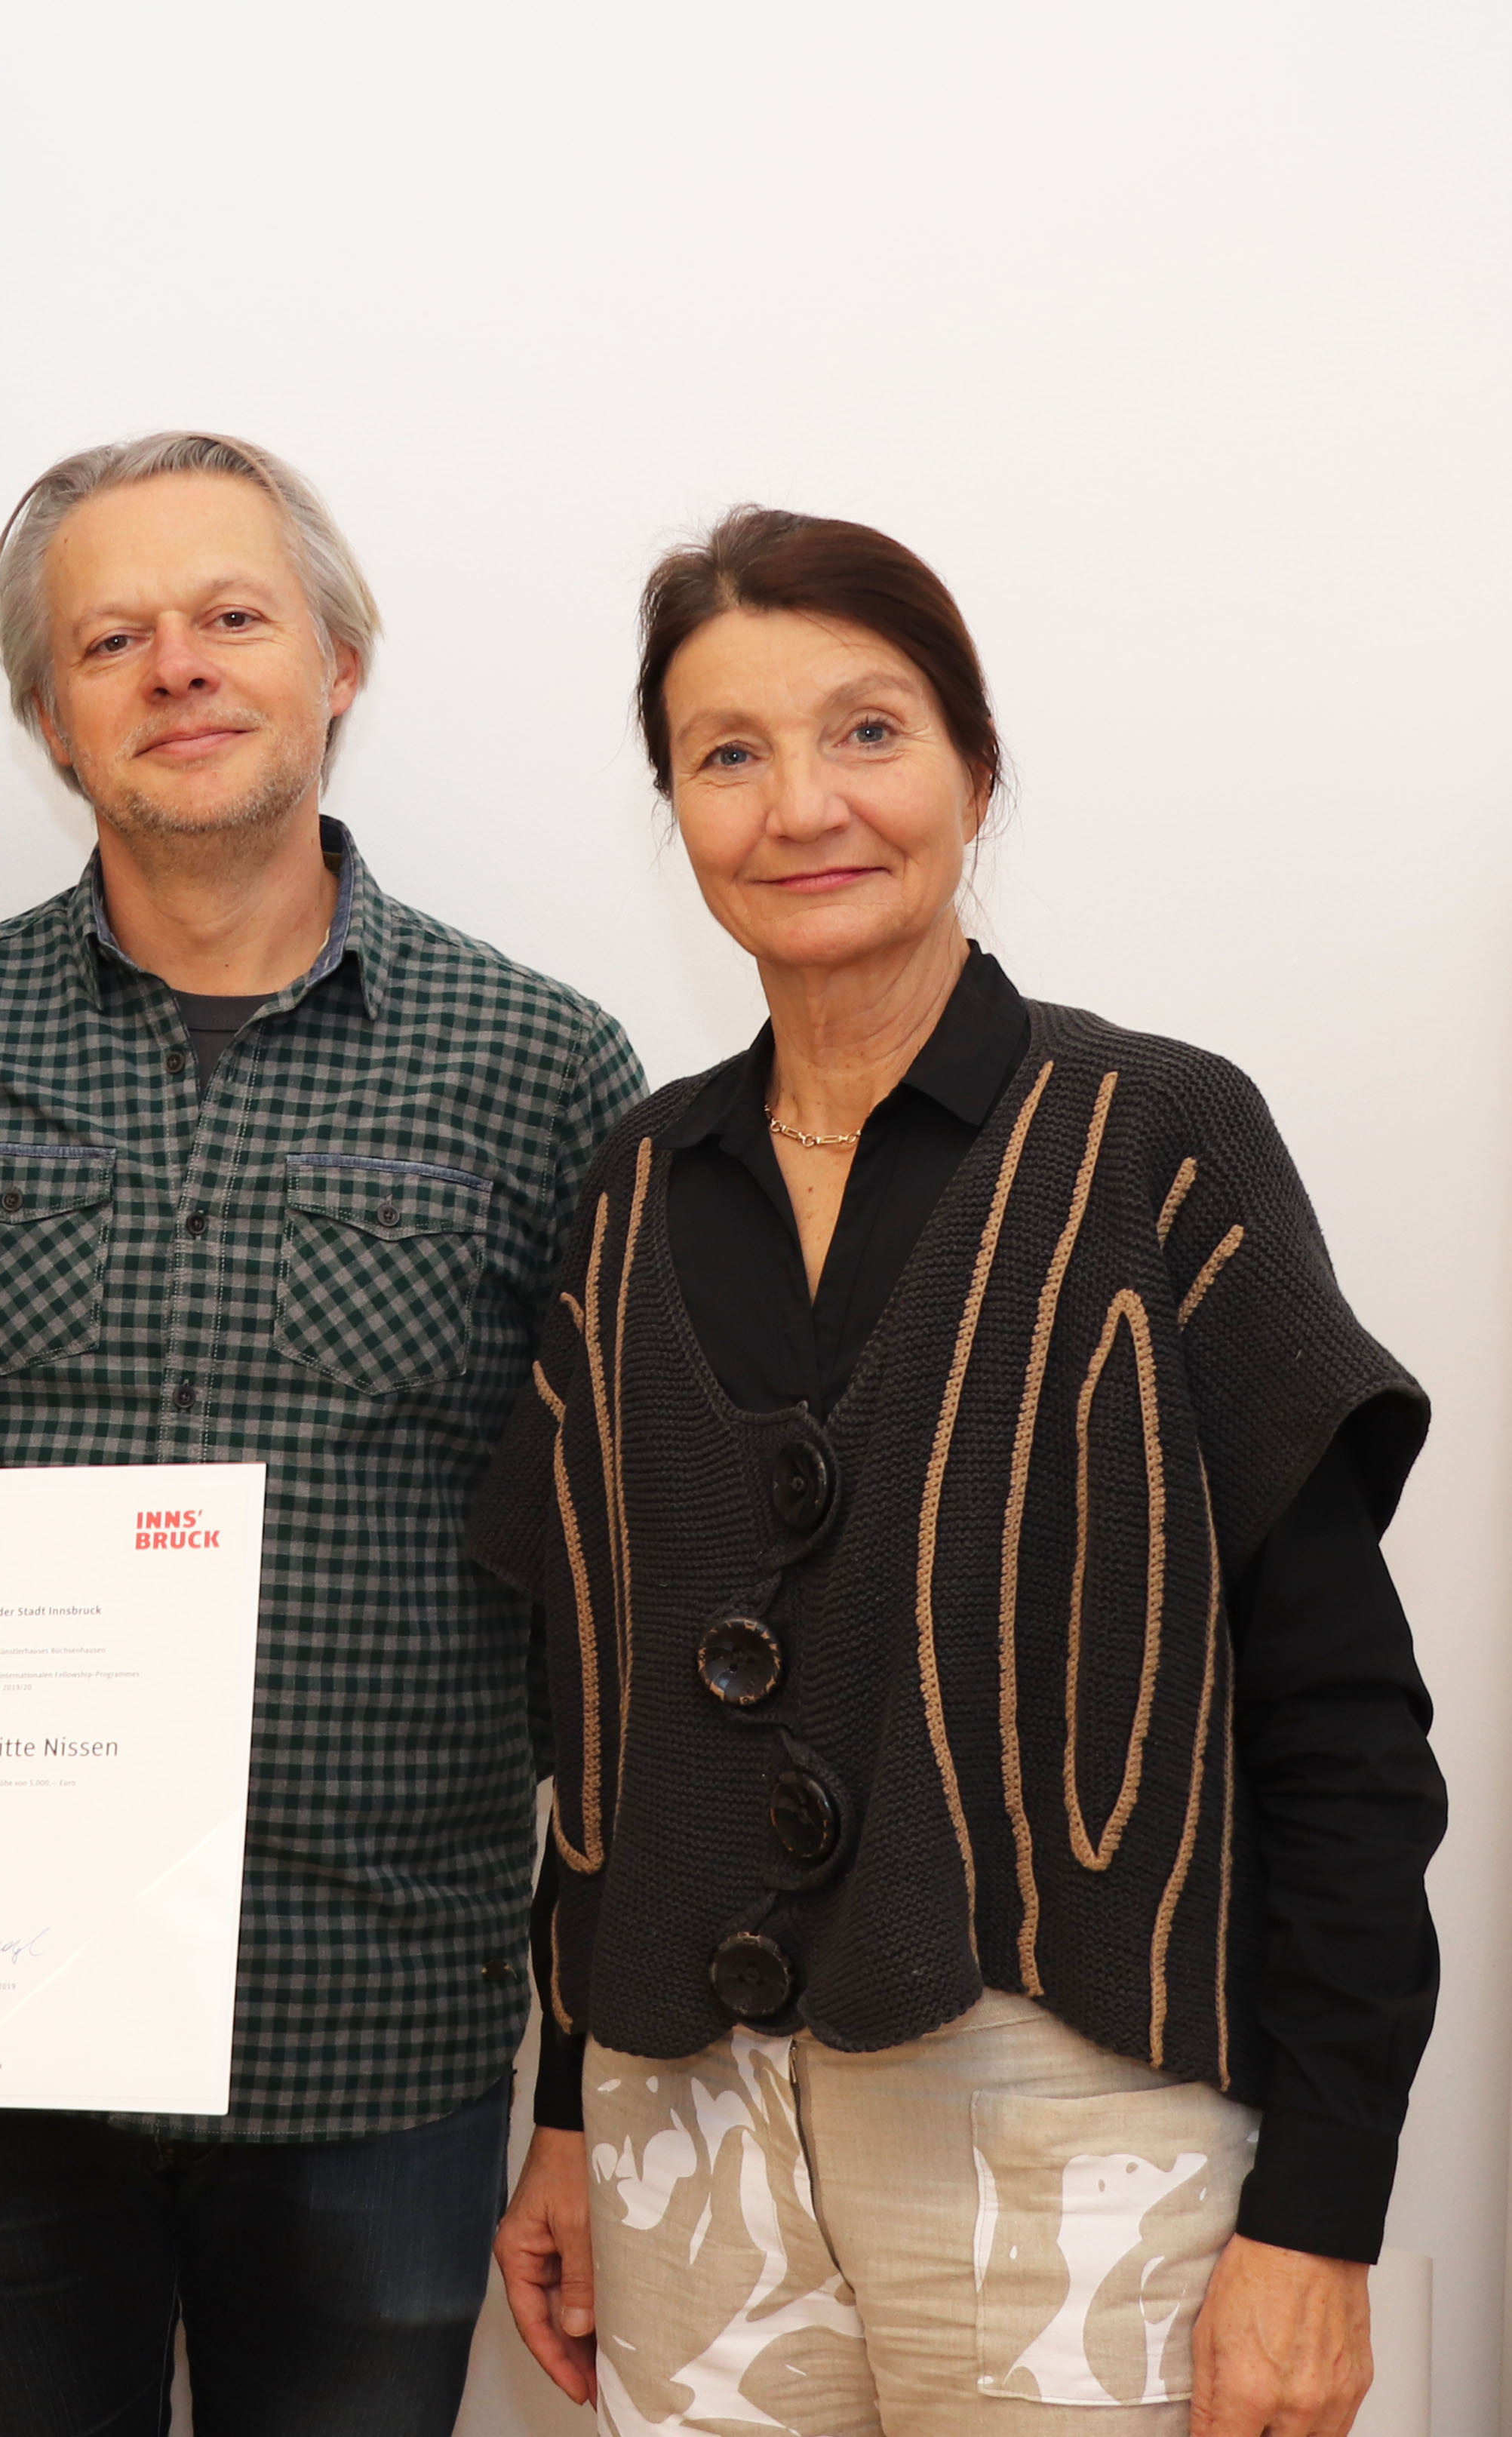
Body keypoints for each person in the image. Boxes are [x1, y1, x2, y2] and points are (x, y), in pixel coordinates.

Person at [475, 508, 1441, 2437]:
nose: (800, 803)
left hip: (1081, 2123)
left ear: (973, 770)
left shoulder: (1160, 1143)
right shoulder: (631, 1194)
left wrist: (1320, 2221)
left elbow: (1343, 1727)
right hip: (688, 2140)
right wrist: (568, 2114)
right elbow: (594, 1744)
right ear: (672, 806)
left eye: (866, 730)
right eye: (726, 753)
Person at [0, 430, 643, 2437]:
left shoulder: (543, 1068)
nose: (175, 666)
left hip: (375, 2036)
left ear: (337, 665)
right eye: (108, 637)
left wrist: (575, 2089)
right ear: (50, 718)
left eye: (230, 615)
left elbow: (609, 1623)